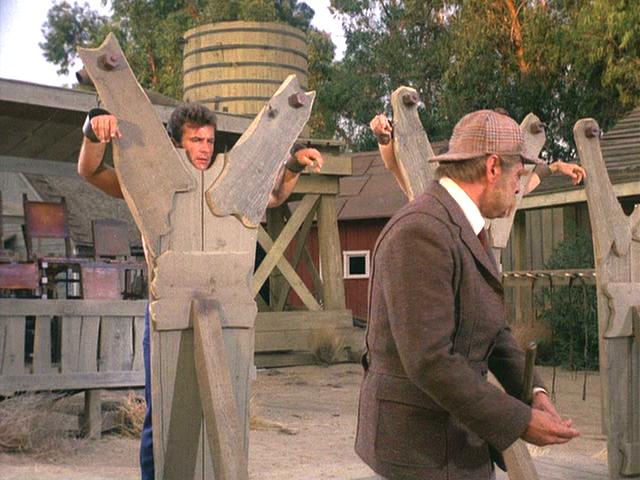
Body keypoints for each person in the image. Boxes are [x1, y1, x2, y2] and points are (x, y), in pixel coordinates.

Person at [77, 103, 323, 480]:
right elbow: (91, 171)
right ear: (177, 143)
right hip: (168, 311)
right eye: (196, 140)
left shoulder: (226, 183)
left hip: (220, 309)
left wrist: (293, 164)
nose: (205, 147)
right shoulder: (154, 181)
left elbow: (273, 196)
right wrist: (94, 130)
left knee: (223, 412)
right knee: (163, 416)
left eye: (209, 140)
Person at [355, 110, 580, 480]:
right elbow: (430, 360)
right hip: (421, 451)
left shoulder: (465, 224)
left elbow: (493, 328)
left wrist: (534, 392)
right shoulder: (421, 231)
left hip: (455, 439)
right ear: (492, 168)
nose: (519, 187)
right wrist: (520, 420)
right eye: (518, 175)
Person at [369, 113, 586, 197]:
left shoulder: (495, 195)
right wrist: (384, 138)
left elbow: (524, 184)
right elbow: (395, 165)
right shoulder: (431, 193)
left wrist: (557, 166)